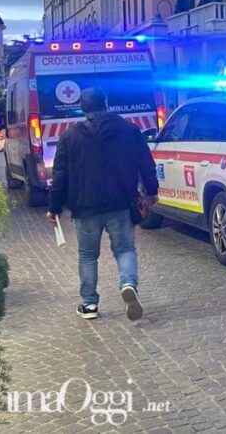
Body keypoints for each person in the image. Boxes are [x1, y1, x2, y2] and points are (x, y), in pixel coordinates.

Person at [47, 87, 159, 321]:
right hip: (120, 202)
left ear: (82, 107)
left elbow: (60, 174)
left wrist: (54, 206)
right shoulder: (129, 131)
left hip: (84, 206)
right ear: (106, 104)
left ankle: (89, 304)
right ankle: (128, 284)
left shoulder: (70, 137)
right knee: (125, 249)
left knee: (87, 255)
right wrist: (151, 191)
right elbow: (145, 163)